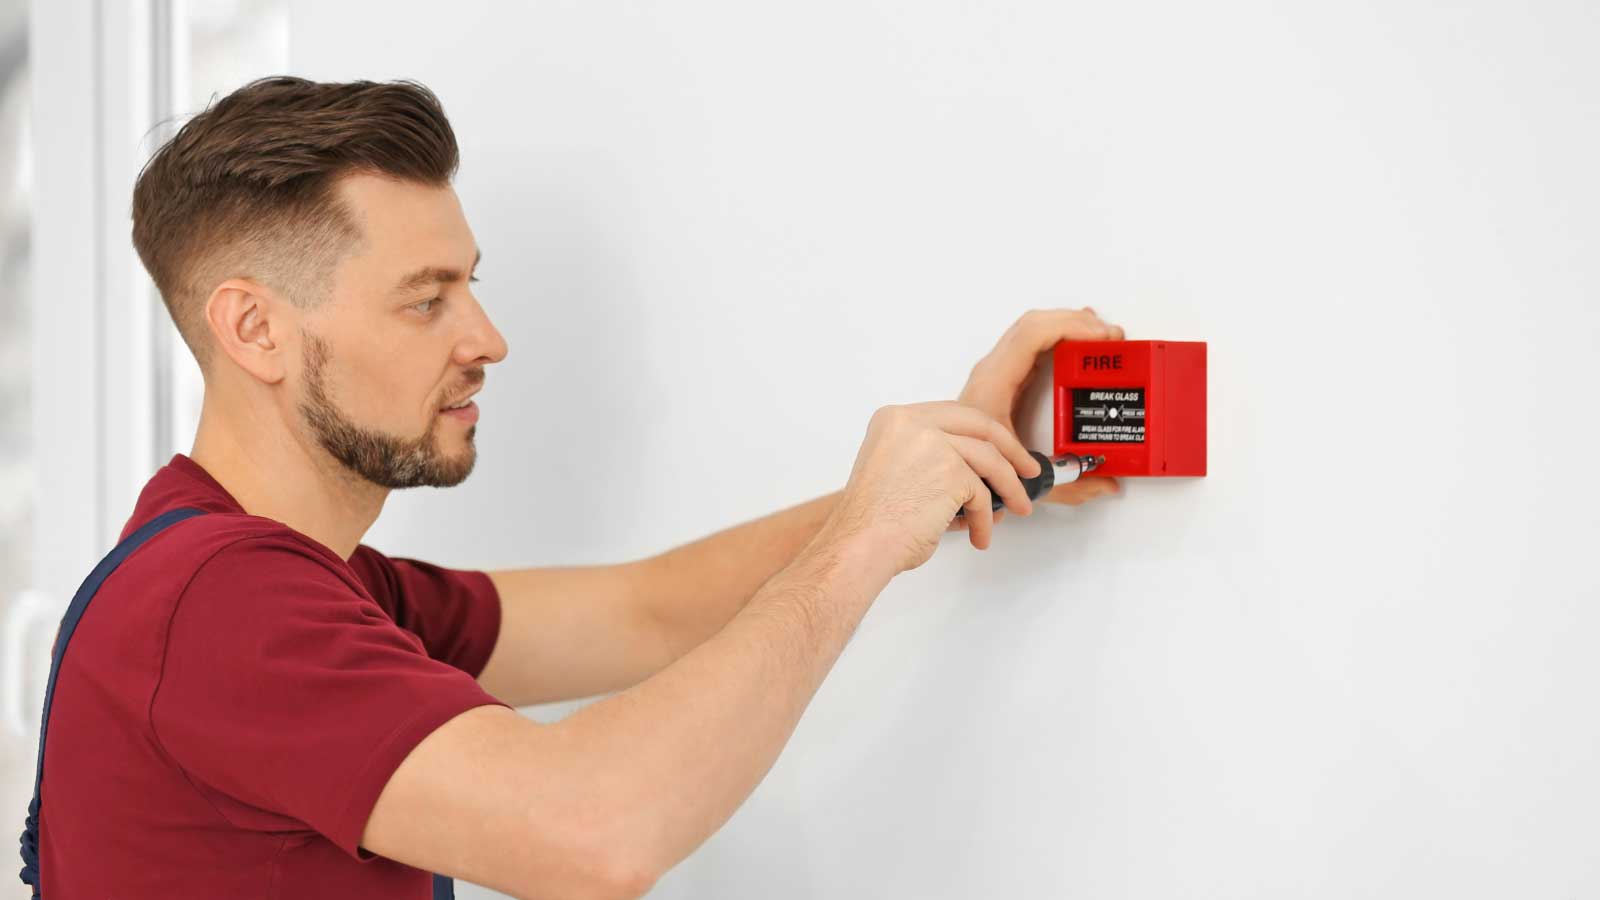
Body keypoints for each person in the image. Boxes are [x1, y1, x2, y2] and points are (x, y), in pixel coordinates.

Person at [35, 76, 1123, 899]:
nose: (488, 339)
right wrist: (861, 543)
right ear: (255, 329)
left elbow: (644, 610)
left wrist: (959, 461)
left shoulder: (308, 588)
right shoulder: (222, 609)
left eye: (472, 286)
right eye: (426, 301)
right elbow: (591, 831)